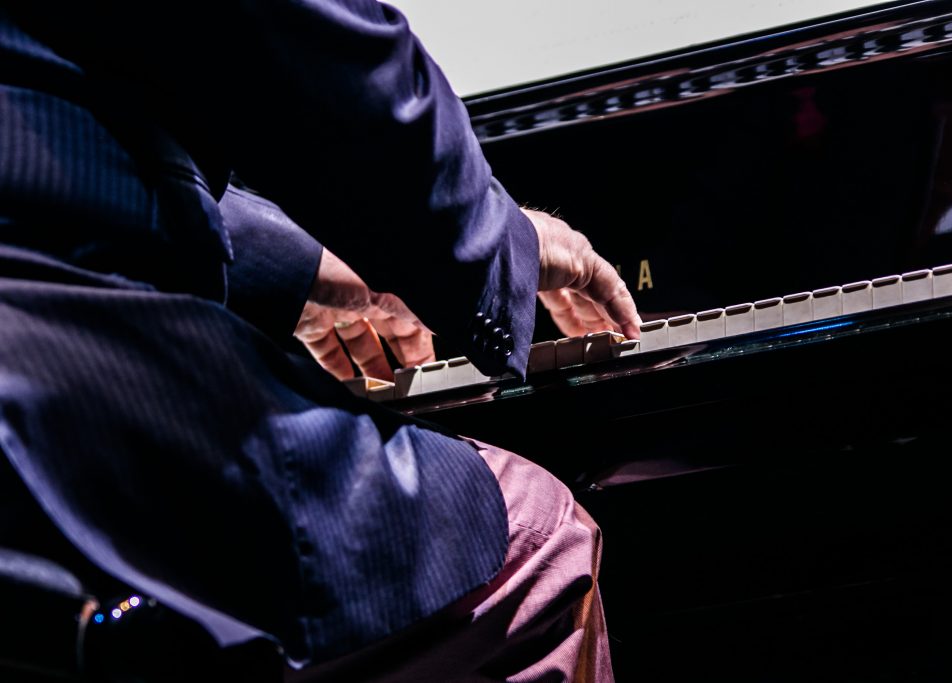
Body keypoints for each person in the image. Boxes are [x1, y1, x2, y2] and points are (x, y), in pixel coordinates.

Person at [0, 1, 640, 680]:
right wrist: (500, 240)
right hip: (48, 372)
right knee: (539, 545)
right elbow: (307, 41)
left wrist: (302, 269)